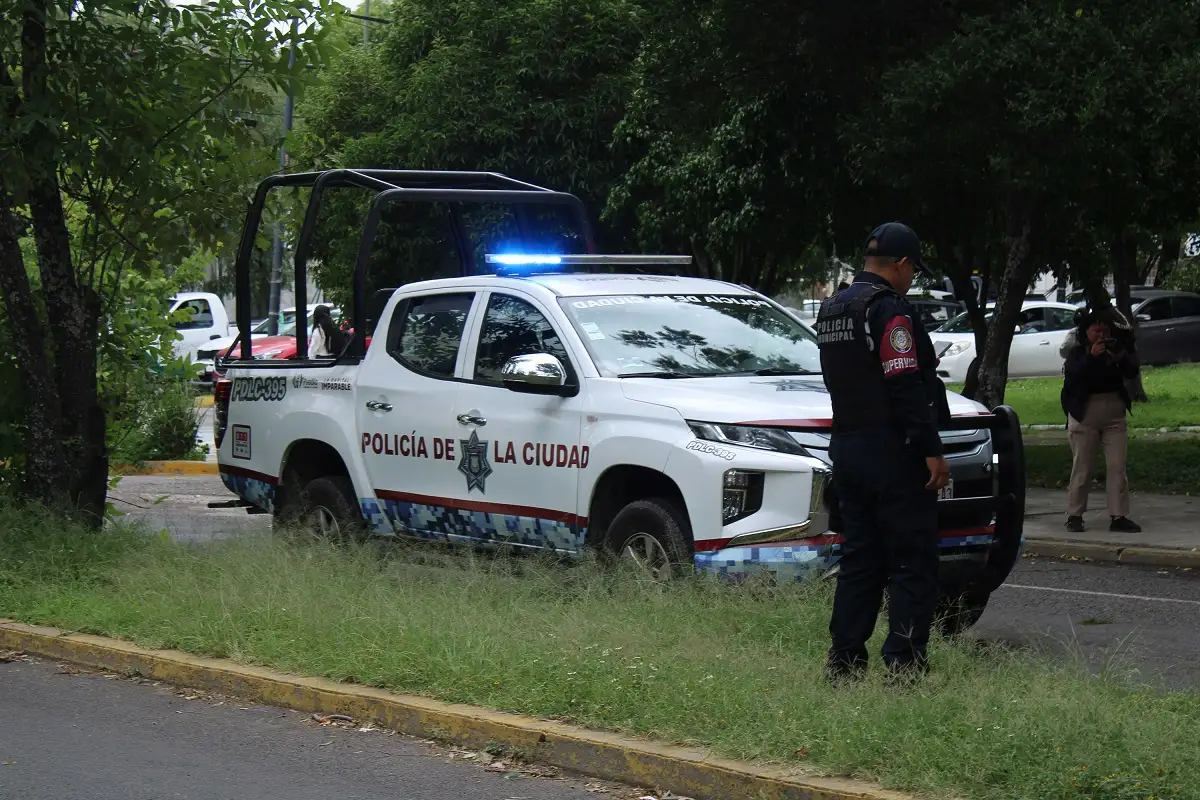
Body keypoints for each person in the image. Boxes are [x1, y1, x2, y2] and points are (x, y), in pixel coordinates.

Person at [814, 222, 951, 681]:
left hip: (848, 450)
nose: (912, 280)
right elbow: (905, 382)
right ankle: (905, 664)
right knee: (912, 558)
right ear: (902, 264)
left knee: (861, 559)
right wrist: (931, 449)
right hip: (893, 453)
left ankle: (844, 661)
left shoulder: (833, 308)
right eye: (913, 270)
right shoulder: (889, 310)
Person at [1061, 306, 1141, 533]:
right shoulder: (1077, 354)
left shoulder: (1116, 350)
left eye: (1105, 331)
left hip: (1114, 412)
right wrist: (1092, 358)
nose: (1101, 336)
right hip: (1085, 413)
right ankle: (1075, 515)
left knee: (1117, 467)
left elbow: (1132, 372)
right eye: (1096, 331)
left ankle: (1119, 516)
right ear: (1086, 332)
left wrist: (1121, 356)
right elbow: (1075, 379)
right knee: (1083, 467)